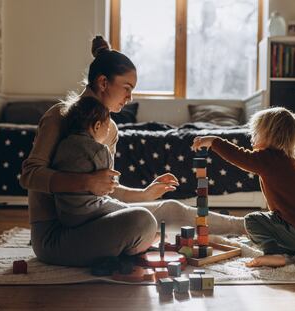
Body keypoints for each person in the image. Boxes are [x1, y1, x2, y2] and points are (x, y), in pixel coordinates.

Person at [20, 35, 246, 267]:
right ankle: (134, 244)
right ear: (103, 82)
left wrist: (145, 194)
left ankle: (247, 226)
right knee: (141, 222)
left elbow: (107, 189)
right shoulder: (59, 115)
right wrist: (86, 182)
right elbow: (29, 175)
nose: (130, 98)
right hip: (55, 236)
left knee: (169, 208)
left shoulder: (111, 129)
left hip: (94, 219)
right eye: (127, 88)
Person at [192, 107, 295, 267]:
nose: (252, 138)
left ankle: (277, 254)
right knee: (270, 220)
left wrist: (214, 141)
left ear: (271, 136)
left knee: (252, 221)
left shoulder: (269, 158)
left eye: (256, 133)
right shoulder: (290, 160)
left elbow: (240, 156)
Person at [52, 96, 129, 227]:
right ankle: (147, 238)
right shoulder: (99, 150)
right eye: (108, 128)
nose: (108, 132)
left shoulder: (62, 144)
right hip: (89, 210)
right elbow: (108, 187)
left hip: (64, 213)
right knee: (129, 211)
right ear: (97, 126)